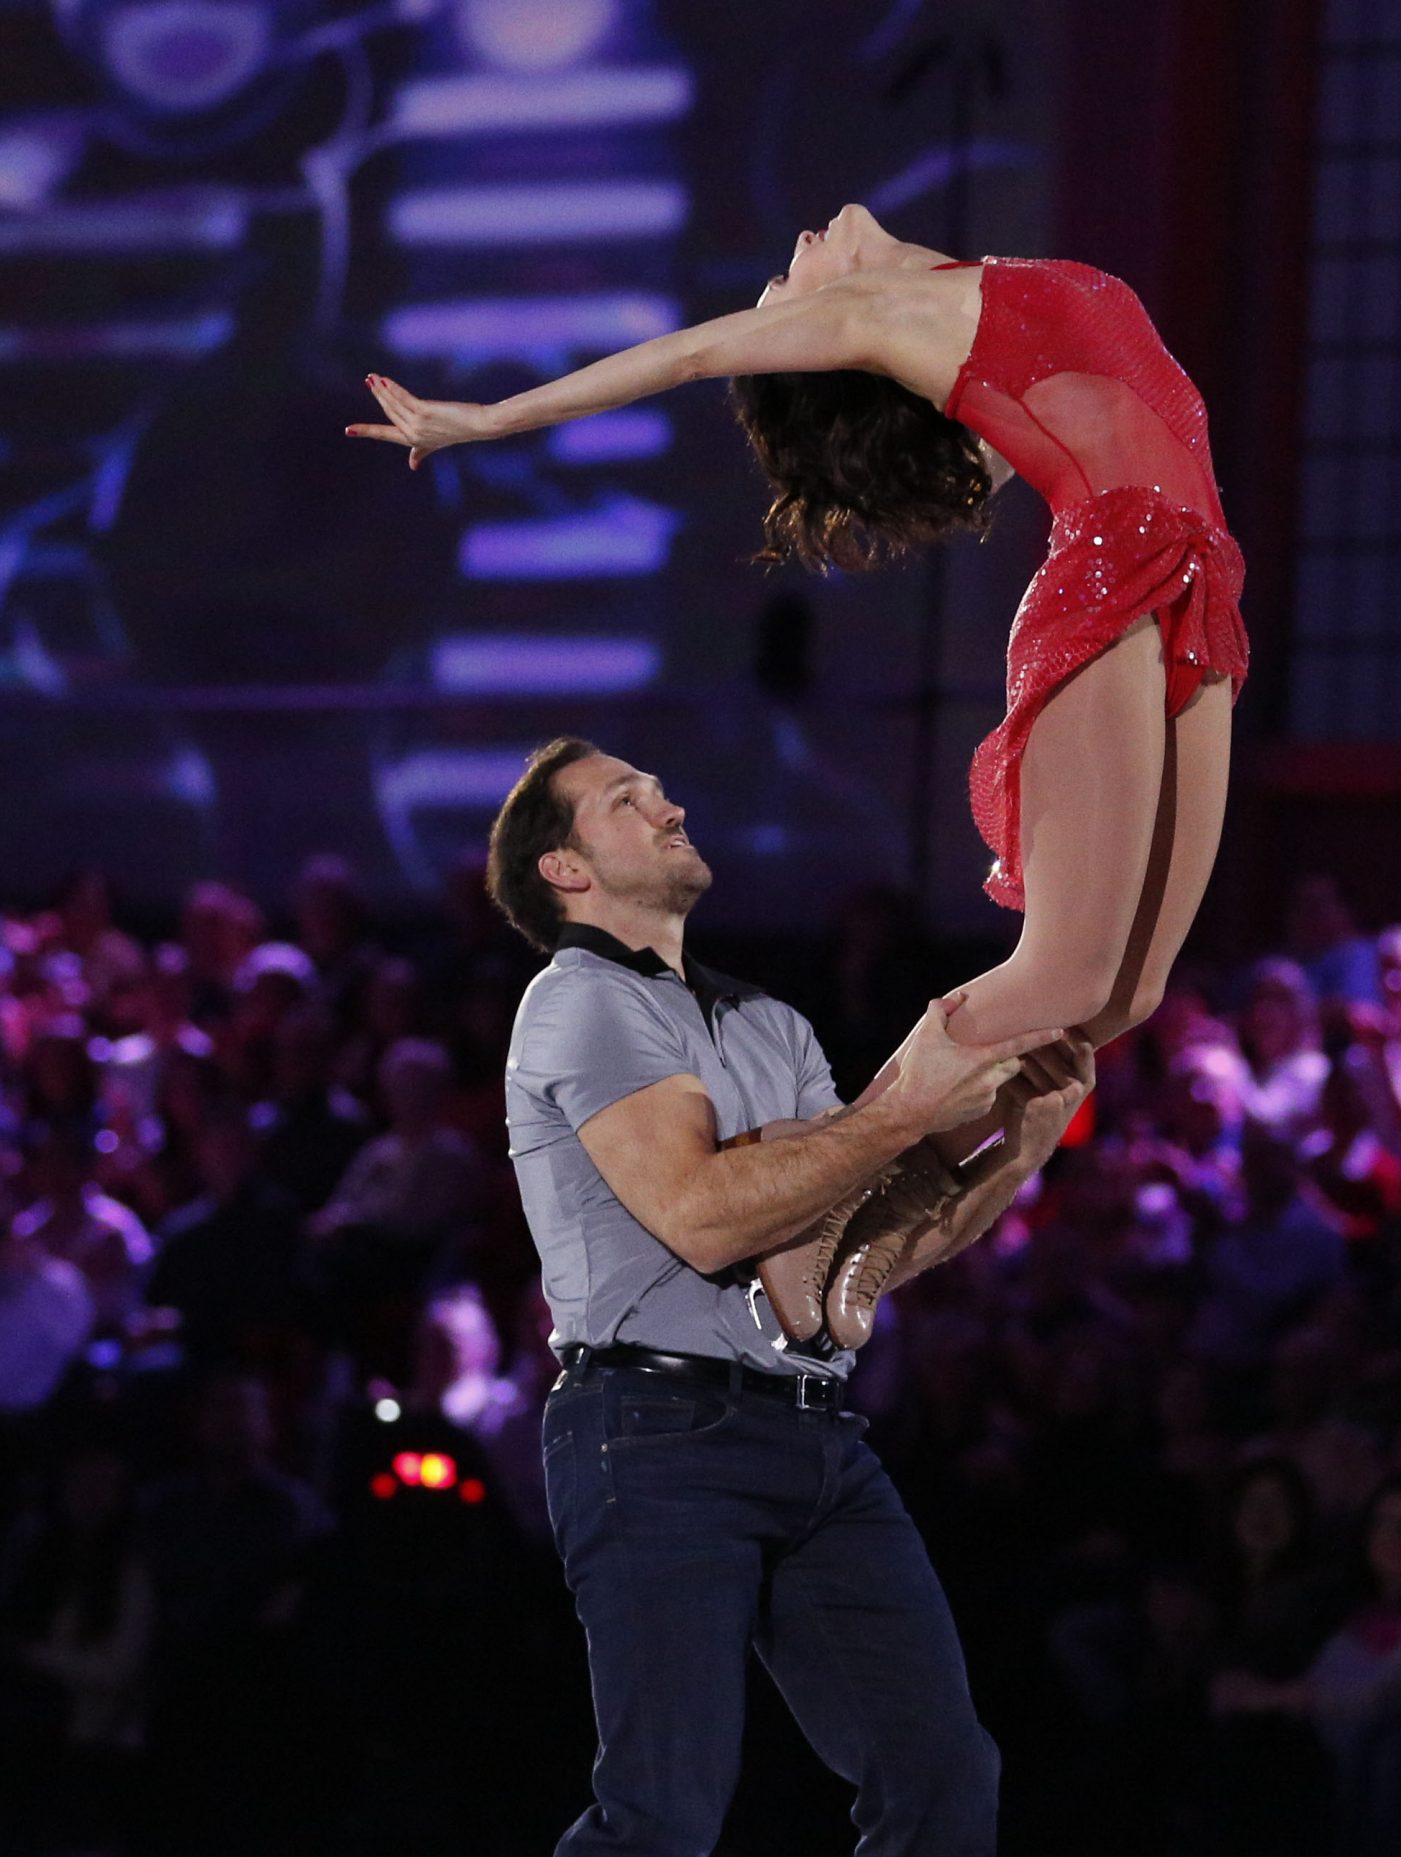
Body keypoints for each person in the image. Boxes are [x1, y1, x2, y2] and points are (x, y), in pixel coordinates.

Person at [423, 735, 1094, 1857]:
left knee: (940, 1773)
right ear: (565, 872)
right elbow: (711, 1217)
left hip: (805, 1433)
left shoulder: (766, 1024)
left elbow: (831, 1275)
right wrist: (904, 1108)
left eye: (665, 781)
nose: (667, 796)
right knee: (662, 1803)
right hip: (646, 1431)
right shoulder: (578, 1005)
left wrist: (1007, 1153)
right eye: (624, 799)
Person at [351, 201, 1246, 1346]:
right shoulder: (877, 315)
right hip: (1115, 585)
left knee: (1127, 995)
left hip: (1195, 581)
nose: (797, 257)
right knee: (1065, 969)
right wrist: (489, 418)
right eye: (788, 289)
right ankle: (829, 1194)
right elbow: (689, 352)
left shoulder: (958, 315)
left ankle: (879, 1213)